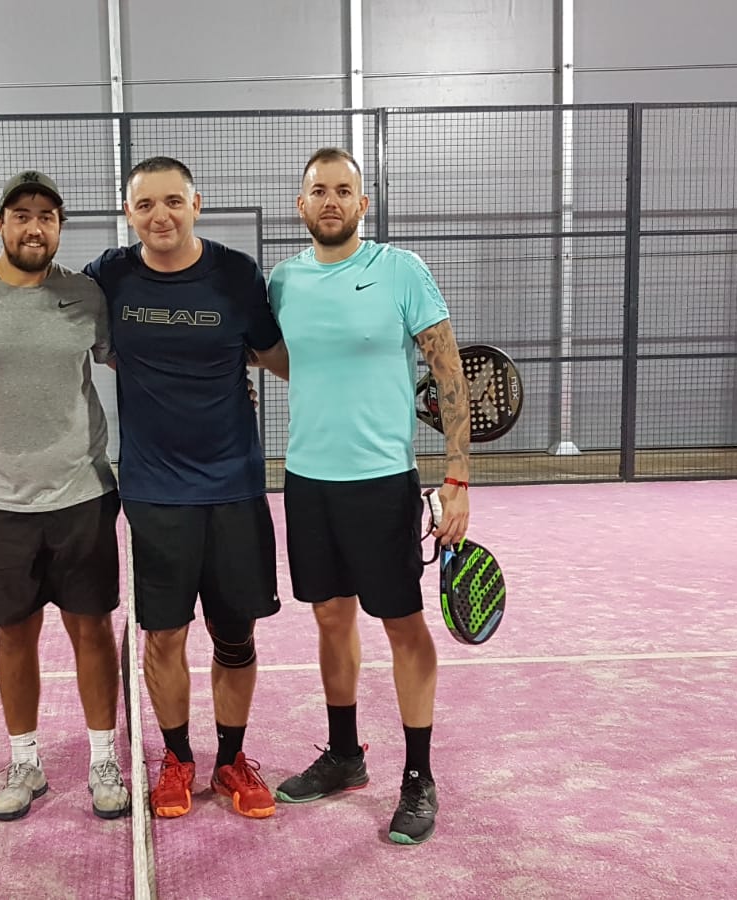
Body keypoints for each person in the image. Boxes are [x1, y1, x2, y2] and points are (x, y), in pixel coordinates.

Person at [266, 147, 472, 846]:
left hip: (383, 482)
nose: (331, 201)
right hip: (307, 480)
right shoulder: (283, 281)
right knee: (330, 617)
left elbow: (448, 371)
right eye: (318, 191)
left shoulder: (401, 271)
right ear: (301, 205)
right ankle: (344, 755)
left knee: (402, 624)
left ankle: (418, 777)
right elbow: (281, 358)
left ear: (363, 203)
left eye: (343, 190)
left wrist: (457, 478)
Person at [82, 157, 290, 820]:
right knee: (164, 638)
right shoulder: (108, 276)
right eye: (145, 205)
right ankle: (176, 759)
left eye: (173, 201)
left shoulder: (237, 275)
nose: (160, 216)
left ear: (196, 204)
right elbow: (45, 312)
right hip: (155, 493)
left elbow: (281, 357)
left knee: (235, 637)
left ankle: (232, 759)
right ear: (128, 213)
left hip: (234, 488)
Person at [0, 171, 130, 822]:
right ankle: (24, 761)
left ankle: (104, 758)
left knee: (92, 629)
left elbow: (134, 364)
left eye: (46, 216)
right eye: (22, 215)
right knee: (15, 633)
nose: (34, 227)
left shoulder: (86, 296)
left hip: (83, 493)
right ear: (1, 224)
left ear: (60, 227)